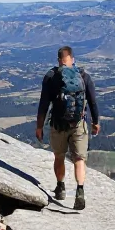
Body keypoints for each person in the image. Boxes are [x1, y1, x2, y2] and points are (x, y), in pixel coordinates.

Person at [35, 45, 100, 209]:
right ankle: (80, 191)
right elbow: (92, 102)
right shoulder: (83, 76)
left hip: (58, 124)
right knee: (79, 159)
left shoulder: (51, 76)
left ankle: (60, 187)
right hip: (79, 123)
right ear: (73, 58)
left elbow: (43, 104)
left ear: (58, 60)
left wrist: (39, 126)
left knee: (59, 156)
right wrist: (96, 122)